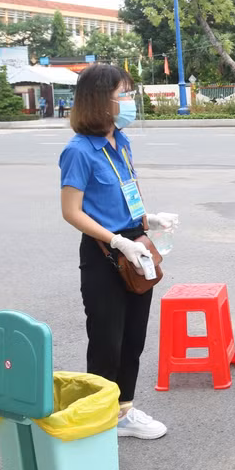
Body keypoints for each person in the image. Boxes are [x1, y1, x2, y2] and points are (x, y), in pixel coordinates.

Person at [59, 64, 178, 440]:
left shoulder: (121, 142)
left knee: (133, 337)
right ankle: (99, 417)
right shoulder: (78, 151)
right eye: (122, 94)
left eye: (129, 93)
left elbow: (129, 192)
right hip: (104, 250)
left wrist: (148, 219)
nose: (130, 101)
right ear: (99, 100)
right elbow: (71, 211)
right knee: (106, 340)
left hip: (136, 246)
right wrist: (115, 240)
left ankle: (123, 411)